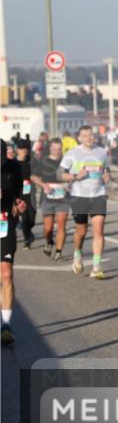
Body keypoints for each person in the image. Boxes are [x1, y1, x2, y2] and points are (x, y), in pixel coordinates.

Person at [60, 126, 111, 279]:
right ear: (80, 138)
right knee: (81, 231)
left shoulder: (102, 152)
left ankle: (96, 267)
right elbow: (60, 174)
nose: (88, 138)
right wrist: (76, 175)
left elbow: (106, 170)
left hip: (98, 195)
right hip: (79, 196)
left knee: (99, 230)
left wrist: (108, 176)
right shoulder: (73, 153)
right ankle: (77, 255)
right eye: (85, 135)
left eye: (90, 135)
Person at [1, 140, 28, 345]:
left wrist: (19, 205)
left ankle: (6, 325)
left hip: (4, 224)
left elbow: (18, 196)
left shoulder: (13, 168)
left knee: (7, 274)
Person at [32, 139, 70, 260]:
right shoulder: (43, 161)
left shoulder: (67, 162)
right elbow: (33, 176)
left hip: (63, 198)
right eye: (54, 149)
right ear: (50, 149)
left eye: (59, 149)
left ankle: (59, 252)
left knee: (61, 226)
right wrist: (43, 185)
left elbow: (73, 177)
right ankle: (49, 242)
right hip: (47, 198)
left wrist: (68, 185)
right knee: (48, 229)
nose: (57, 152)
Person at [13, 141, 35, 249]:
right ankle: (27, 240)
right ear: (17, 150)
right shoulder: (13, 163)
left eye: (26, 149)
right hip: (19, 194)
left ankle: (28, 232)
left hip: (30, 193)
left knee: (32, 217)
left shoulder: (30, 161)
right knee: (25, 218)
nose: (24, 151)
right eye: (22, 149)